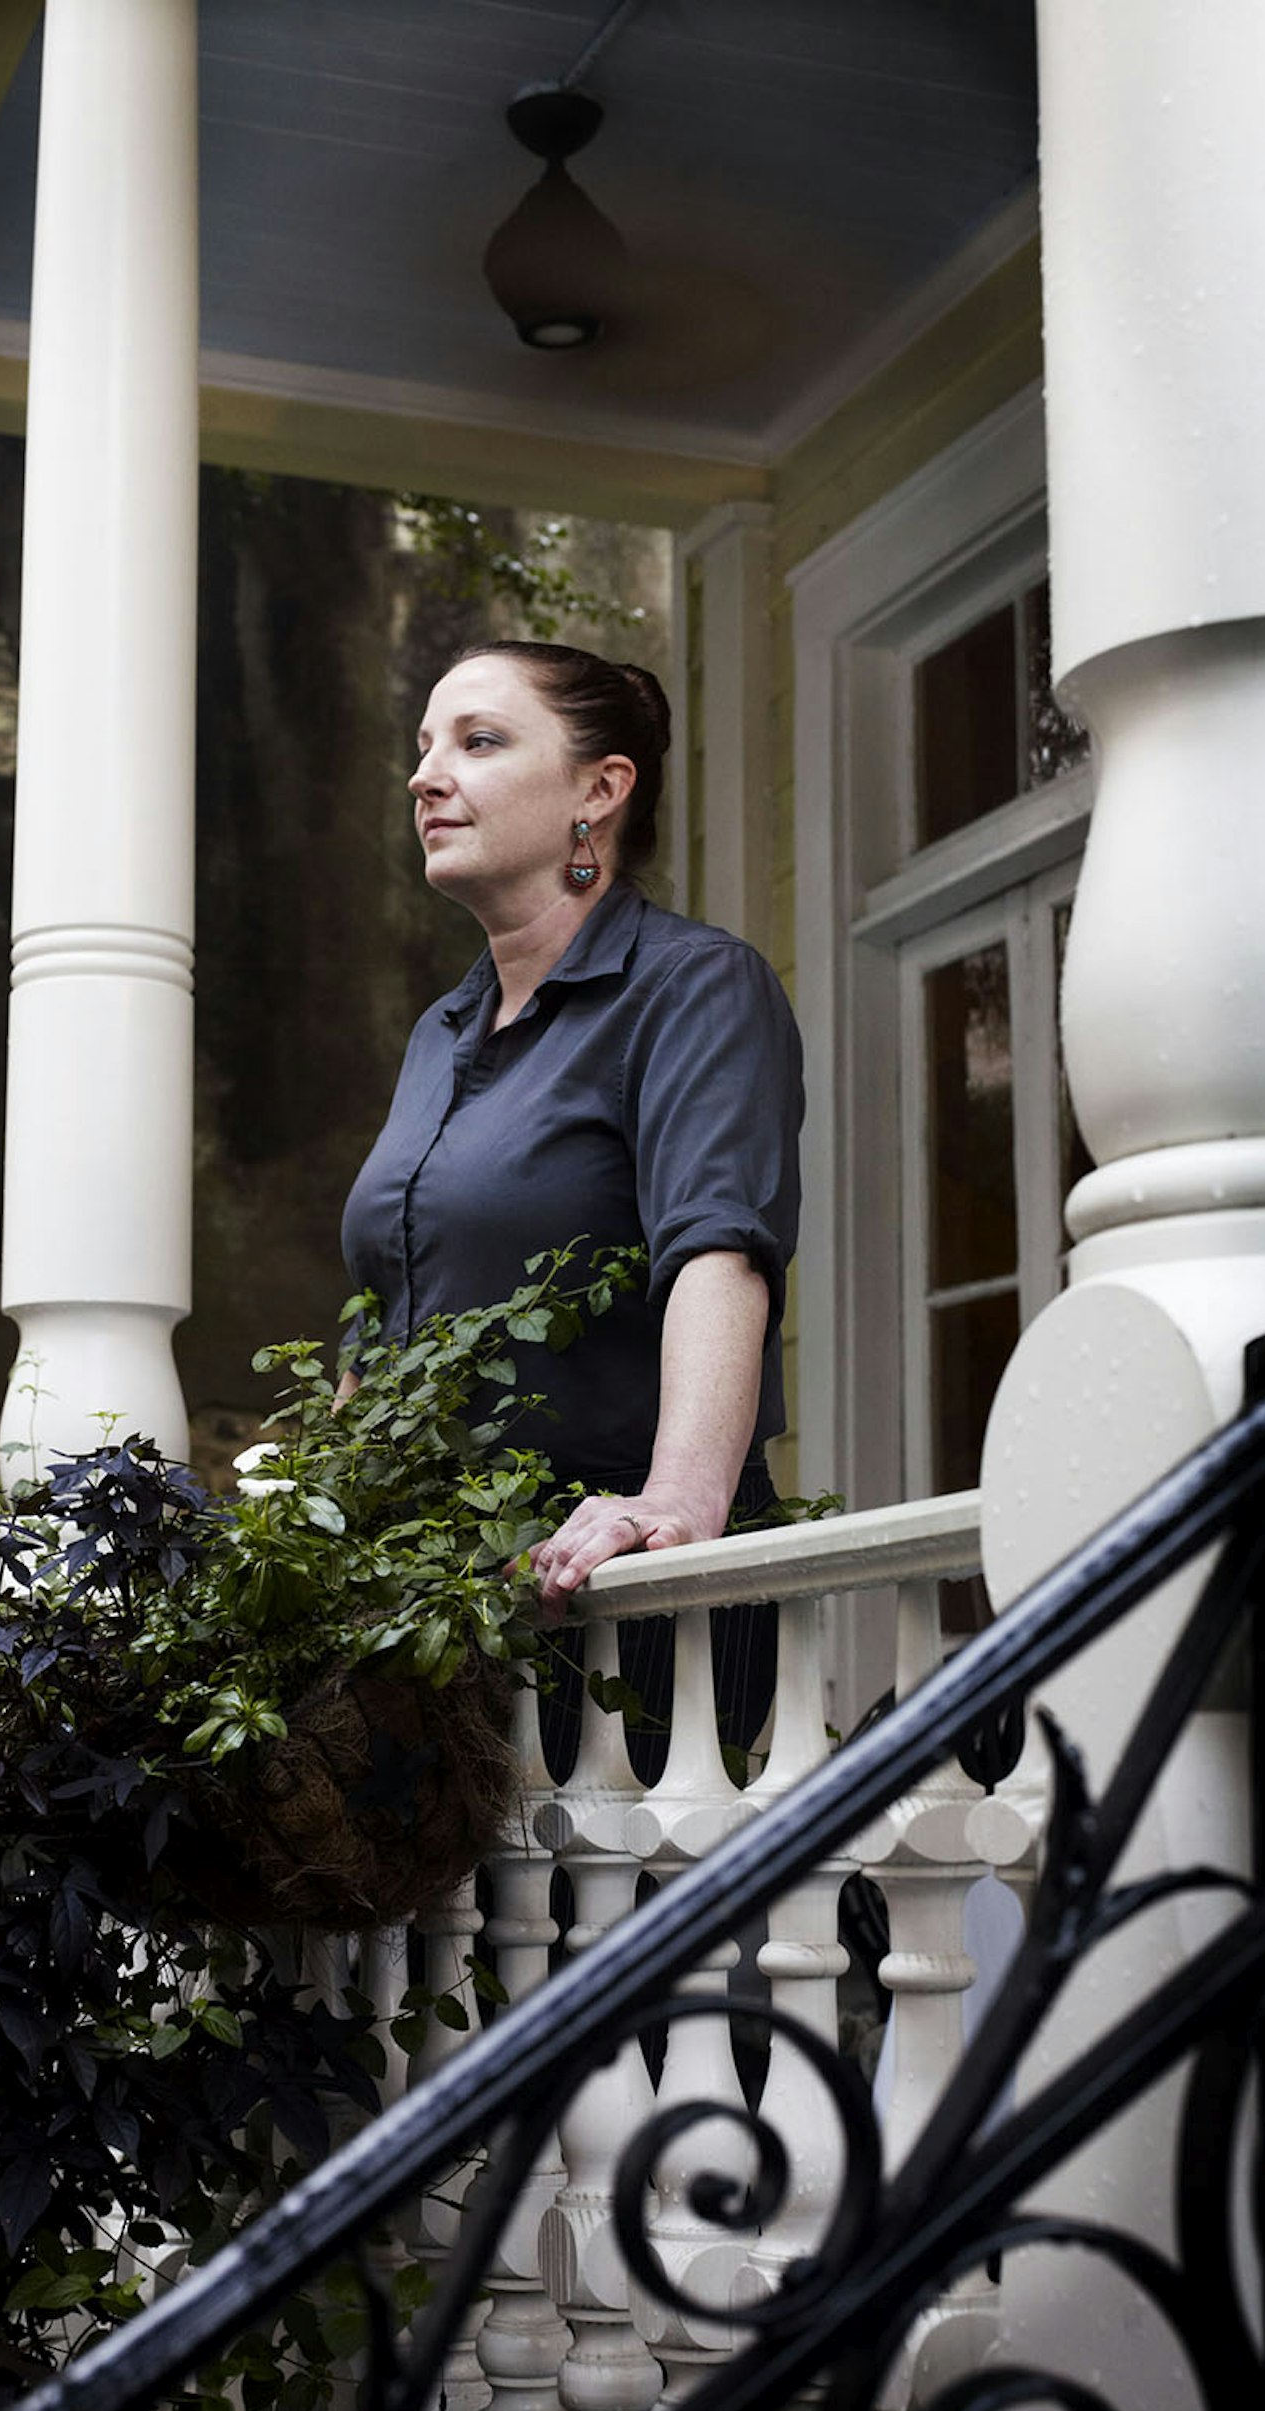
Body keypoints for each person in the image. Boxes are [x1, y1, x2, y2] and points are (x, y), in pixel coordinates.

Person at [340, 640, 803, 1724]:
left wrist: (674, 1505)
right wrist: (320, 1527)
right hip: (438, 1616)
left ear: (600, 790)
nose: (426, 774)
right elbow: (379, 1316)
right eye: (423, 747)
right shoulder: (439, 1032)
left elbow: (718, 1247)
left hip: (607, 1600)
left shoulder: (693, 987)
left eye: (479, 740)